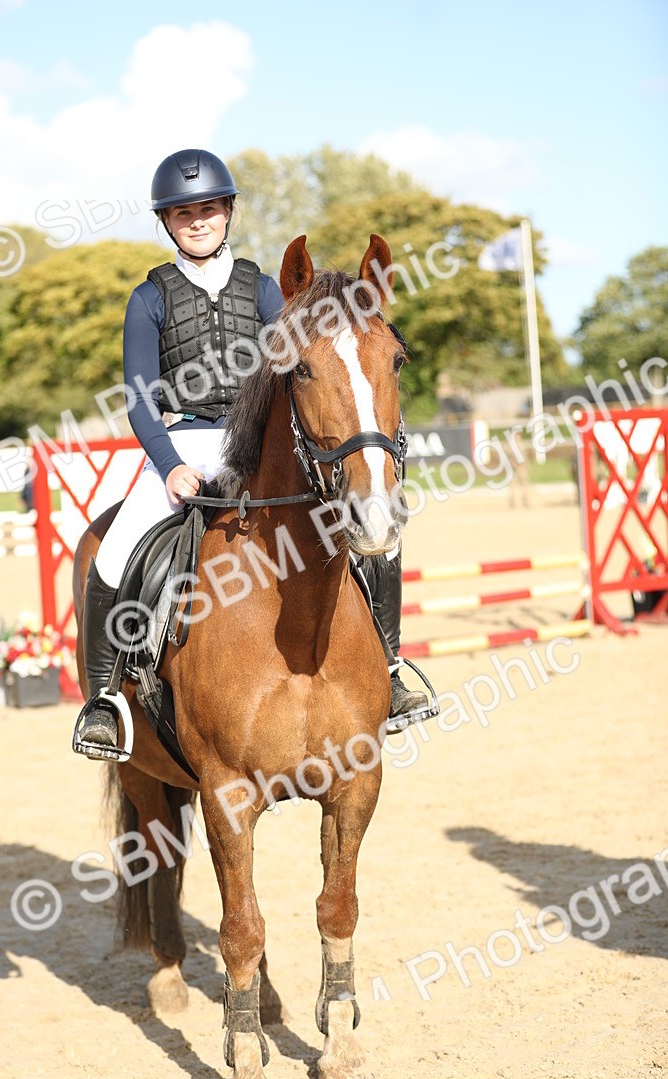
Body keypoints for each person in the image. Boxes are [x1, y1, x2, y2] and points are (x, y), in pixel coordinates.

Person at [73, 148, 432, 760]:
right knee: (114, 551)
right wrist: (169, 465)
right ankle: (106, 699)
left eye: (208, 208)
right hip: (184, 441)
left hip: (256, 440)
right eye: (184, 212)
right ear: (166, 221)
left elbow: (304, 359)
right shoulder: (148, 298)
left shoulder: (263, 288)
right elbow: (137, 399)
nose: (198, 220)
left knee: (380, 536)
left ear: (229, 211)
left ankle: (391, 670)